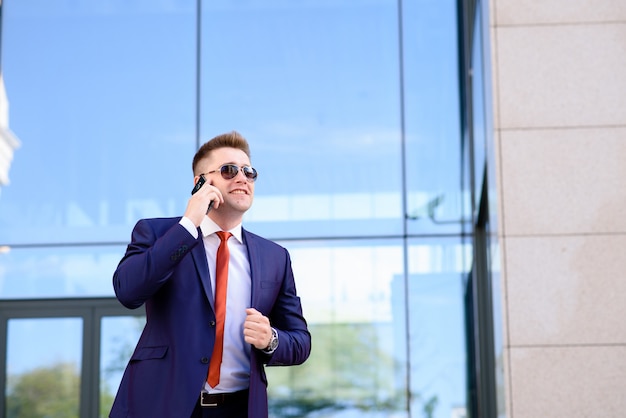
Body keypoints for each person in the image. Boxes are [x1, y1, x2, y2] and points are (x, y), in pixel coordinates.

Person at [109, 131, 311, 418]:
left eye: (248, 172)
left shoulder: (275, 257)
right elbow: (128, 291)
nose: (242, 178)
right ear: (200, 182)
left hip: (240, 409)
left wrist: (271, 339)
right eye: (229, 170)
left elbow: (301, 341)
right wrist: (189, 224)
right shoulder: (157, 233)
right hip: (162, 405)